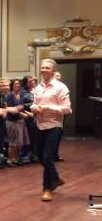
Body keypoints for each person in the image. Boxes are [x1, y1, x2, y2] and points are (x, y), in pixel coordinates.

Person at [30, 59, 72, 202]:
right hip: (40, 125)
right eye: (42, 67)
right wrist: (34, 108)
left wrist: (48, 107)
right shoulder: (38, 88)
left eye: (47, 68)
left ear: (53, 71)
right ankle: (55, 178)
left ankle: (47, 189)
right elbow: (34, 103)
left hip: (54, 126)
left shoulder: (61, 87)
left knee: (47, 157)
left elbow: (67, 108)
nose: (44, 70)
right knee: (40, 157)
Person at [5, 79, 30, 166]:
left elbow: (21, 107)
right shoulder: (10, 95)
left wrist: (22, 112)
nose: (17, 85)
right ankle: (10, 160)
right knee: (12, 142)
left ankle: (15, 159)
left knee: (19, 142)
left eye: (19, 84)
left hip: (19, 120)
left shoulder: (20, 94)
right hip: (11, 120)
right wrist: (19, 111)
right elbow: (10, 109)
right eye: (15, 84)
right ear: (12, 85)